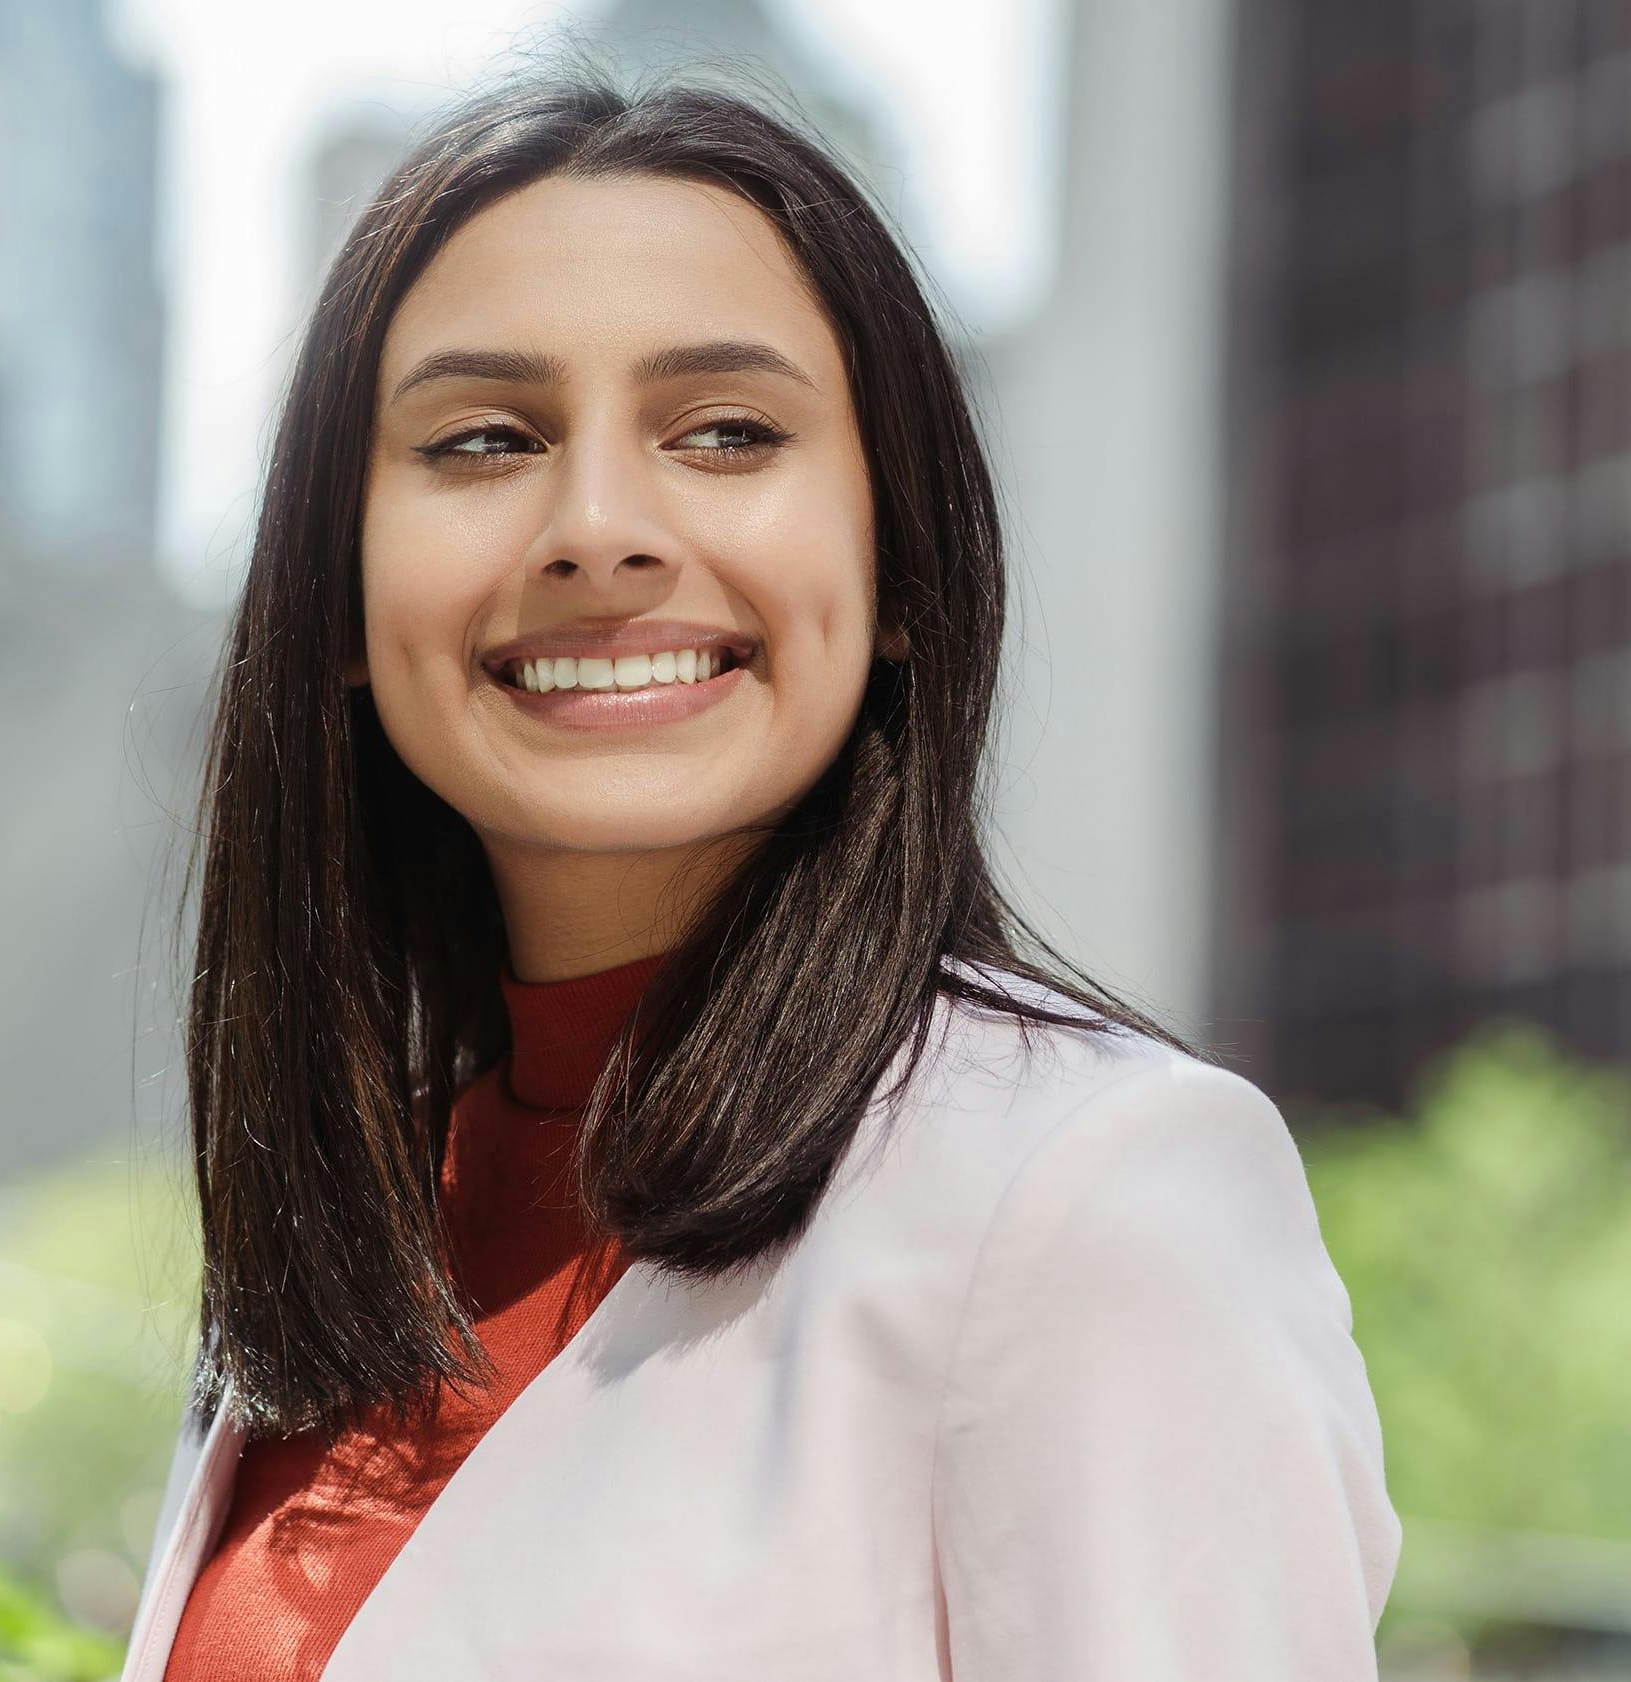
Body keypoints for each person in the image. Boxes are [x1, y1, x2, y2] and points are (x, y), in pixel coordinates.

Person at [122, 60, 1401, 1682]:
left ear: (902, 564)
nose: (599, 526)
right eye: (485, 438)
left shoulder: (1088, 1201)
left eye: (728, 431)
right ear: (339, 594)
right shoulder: (362, 1221)